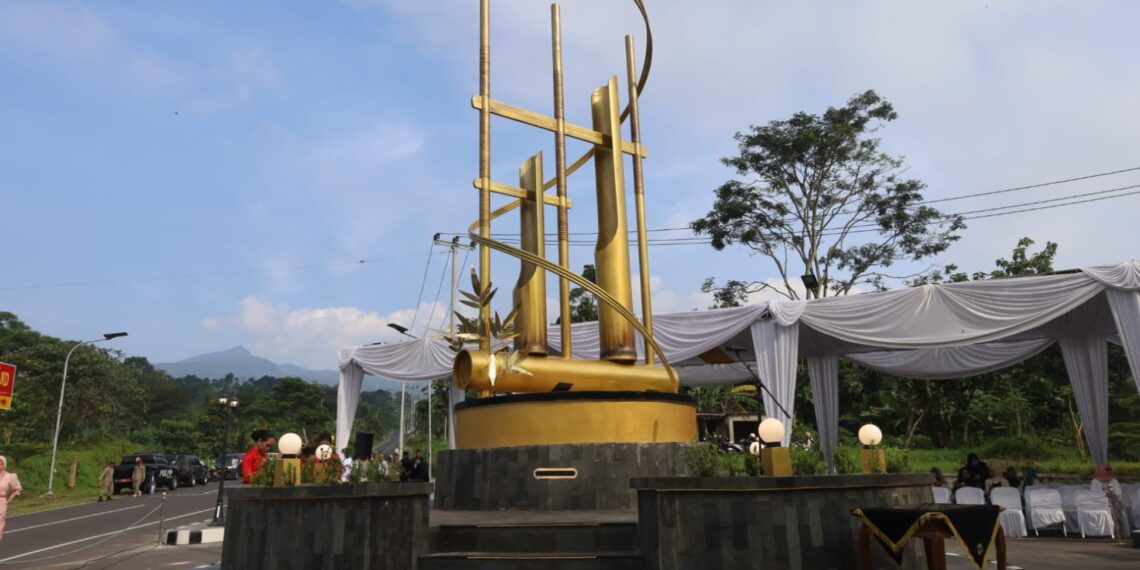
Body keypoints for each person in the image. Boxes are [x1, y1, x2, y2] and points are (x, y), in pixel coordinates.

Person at [0, 456, 22, 542]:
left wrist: (8, 501)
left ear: (4, 465)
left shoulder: (10, 476)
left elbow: (17, 489)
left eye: (1, 464)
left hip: (1, 504)